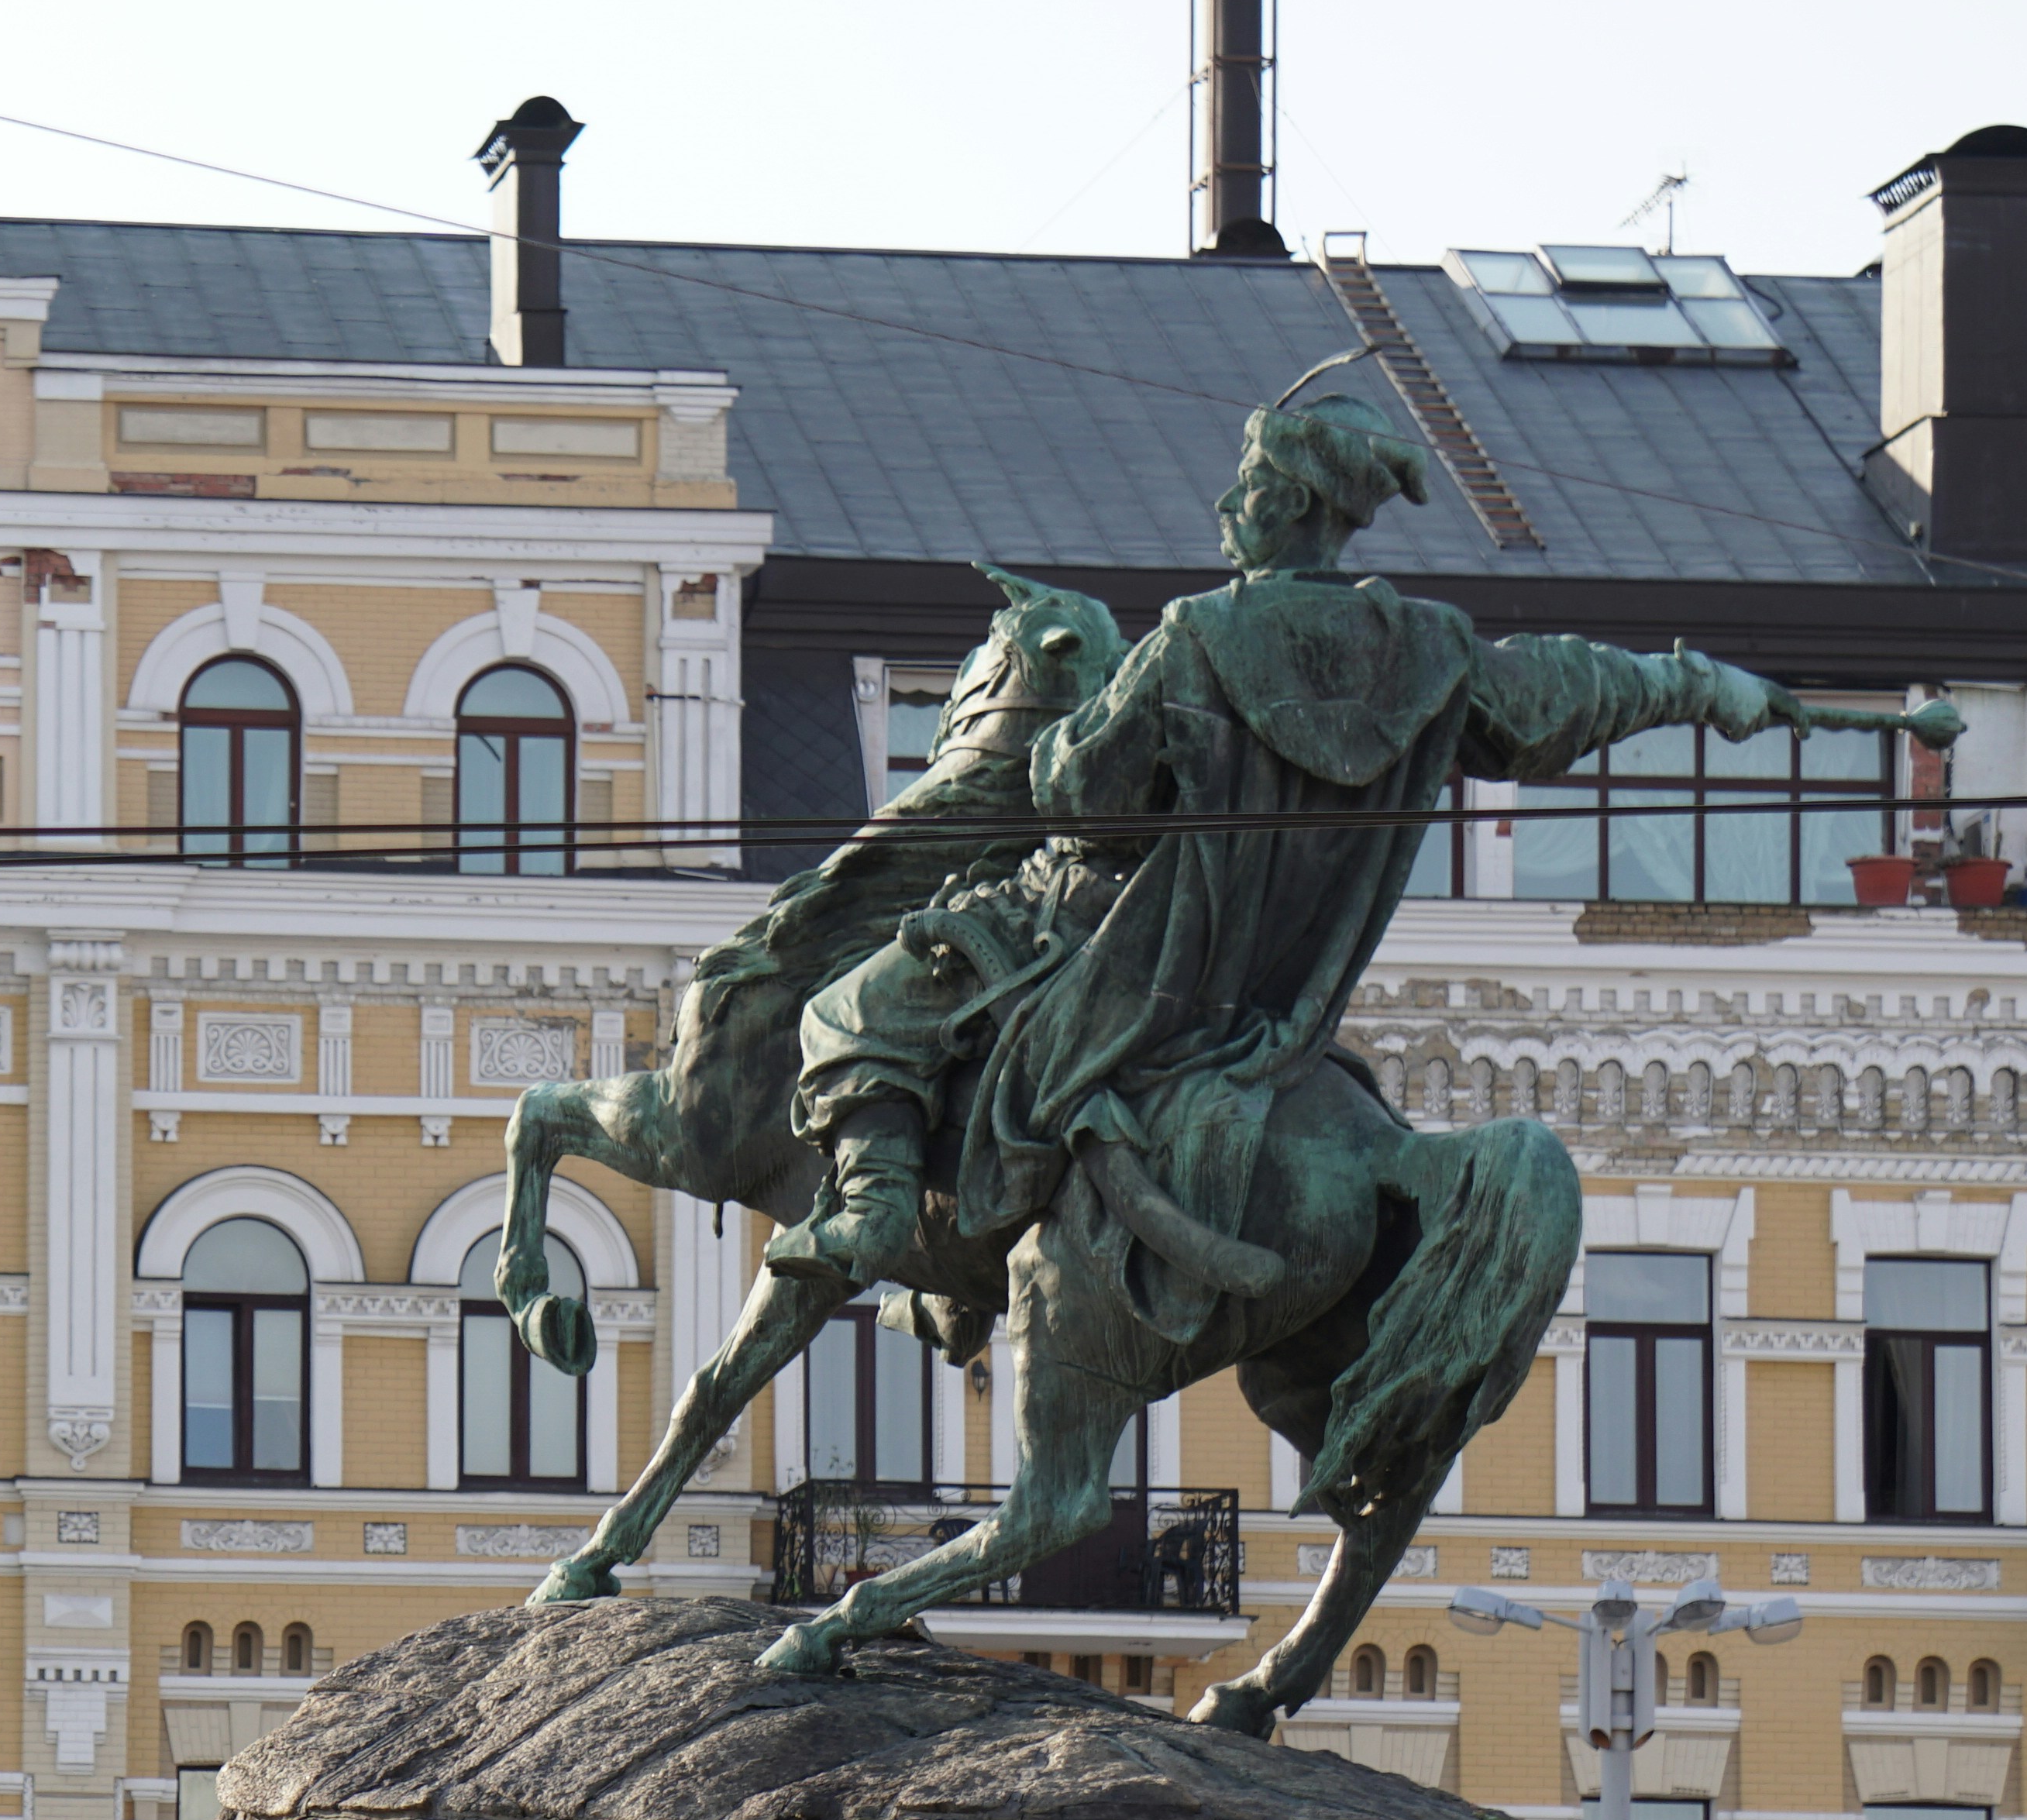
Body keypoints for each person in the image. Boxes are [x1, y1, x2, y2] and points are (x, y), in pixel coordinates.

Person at [764, 380, 1947, 1340]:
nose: (1228, 510)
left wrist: (1075, 729)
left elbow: (1079, 796)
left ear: (1285, 509)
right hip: (1276, 1026)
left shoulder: (1196, 638)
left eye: (1245, 491)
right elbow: (1605, 687)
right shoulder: (1436, 652)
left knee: (850, 1008)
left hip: (1123, 984)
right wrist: (1762, 702)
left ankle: (874, 1211)